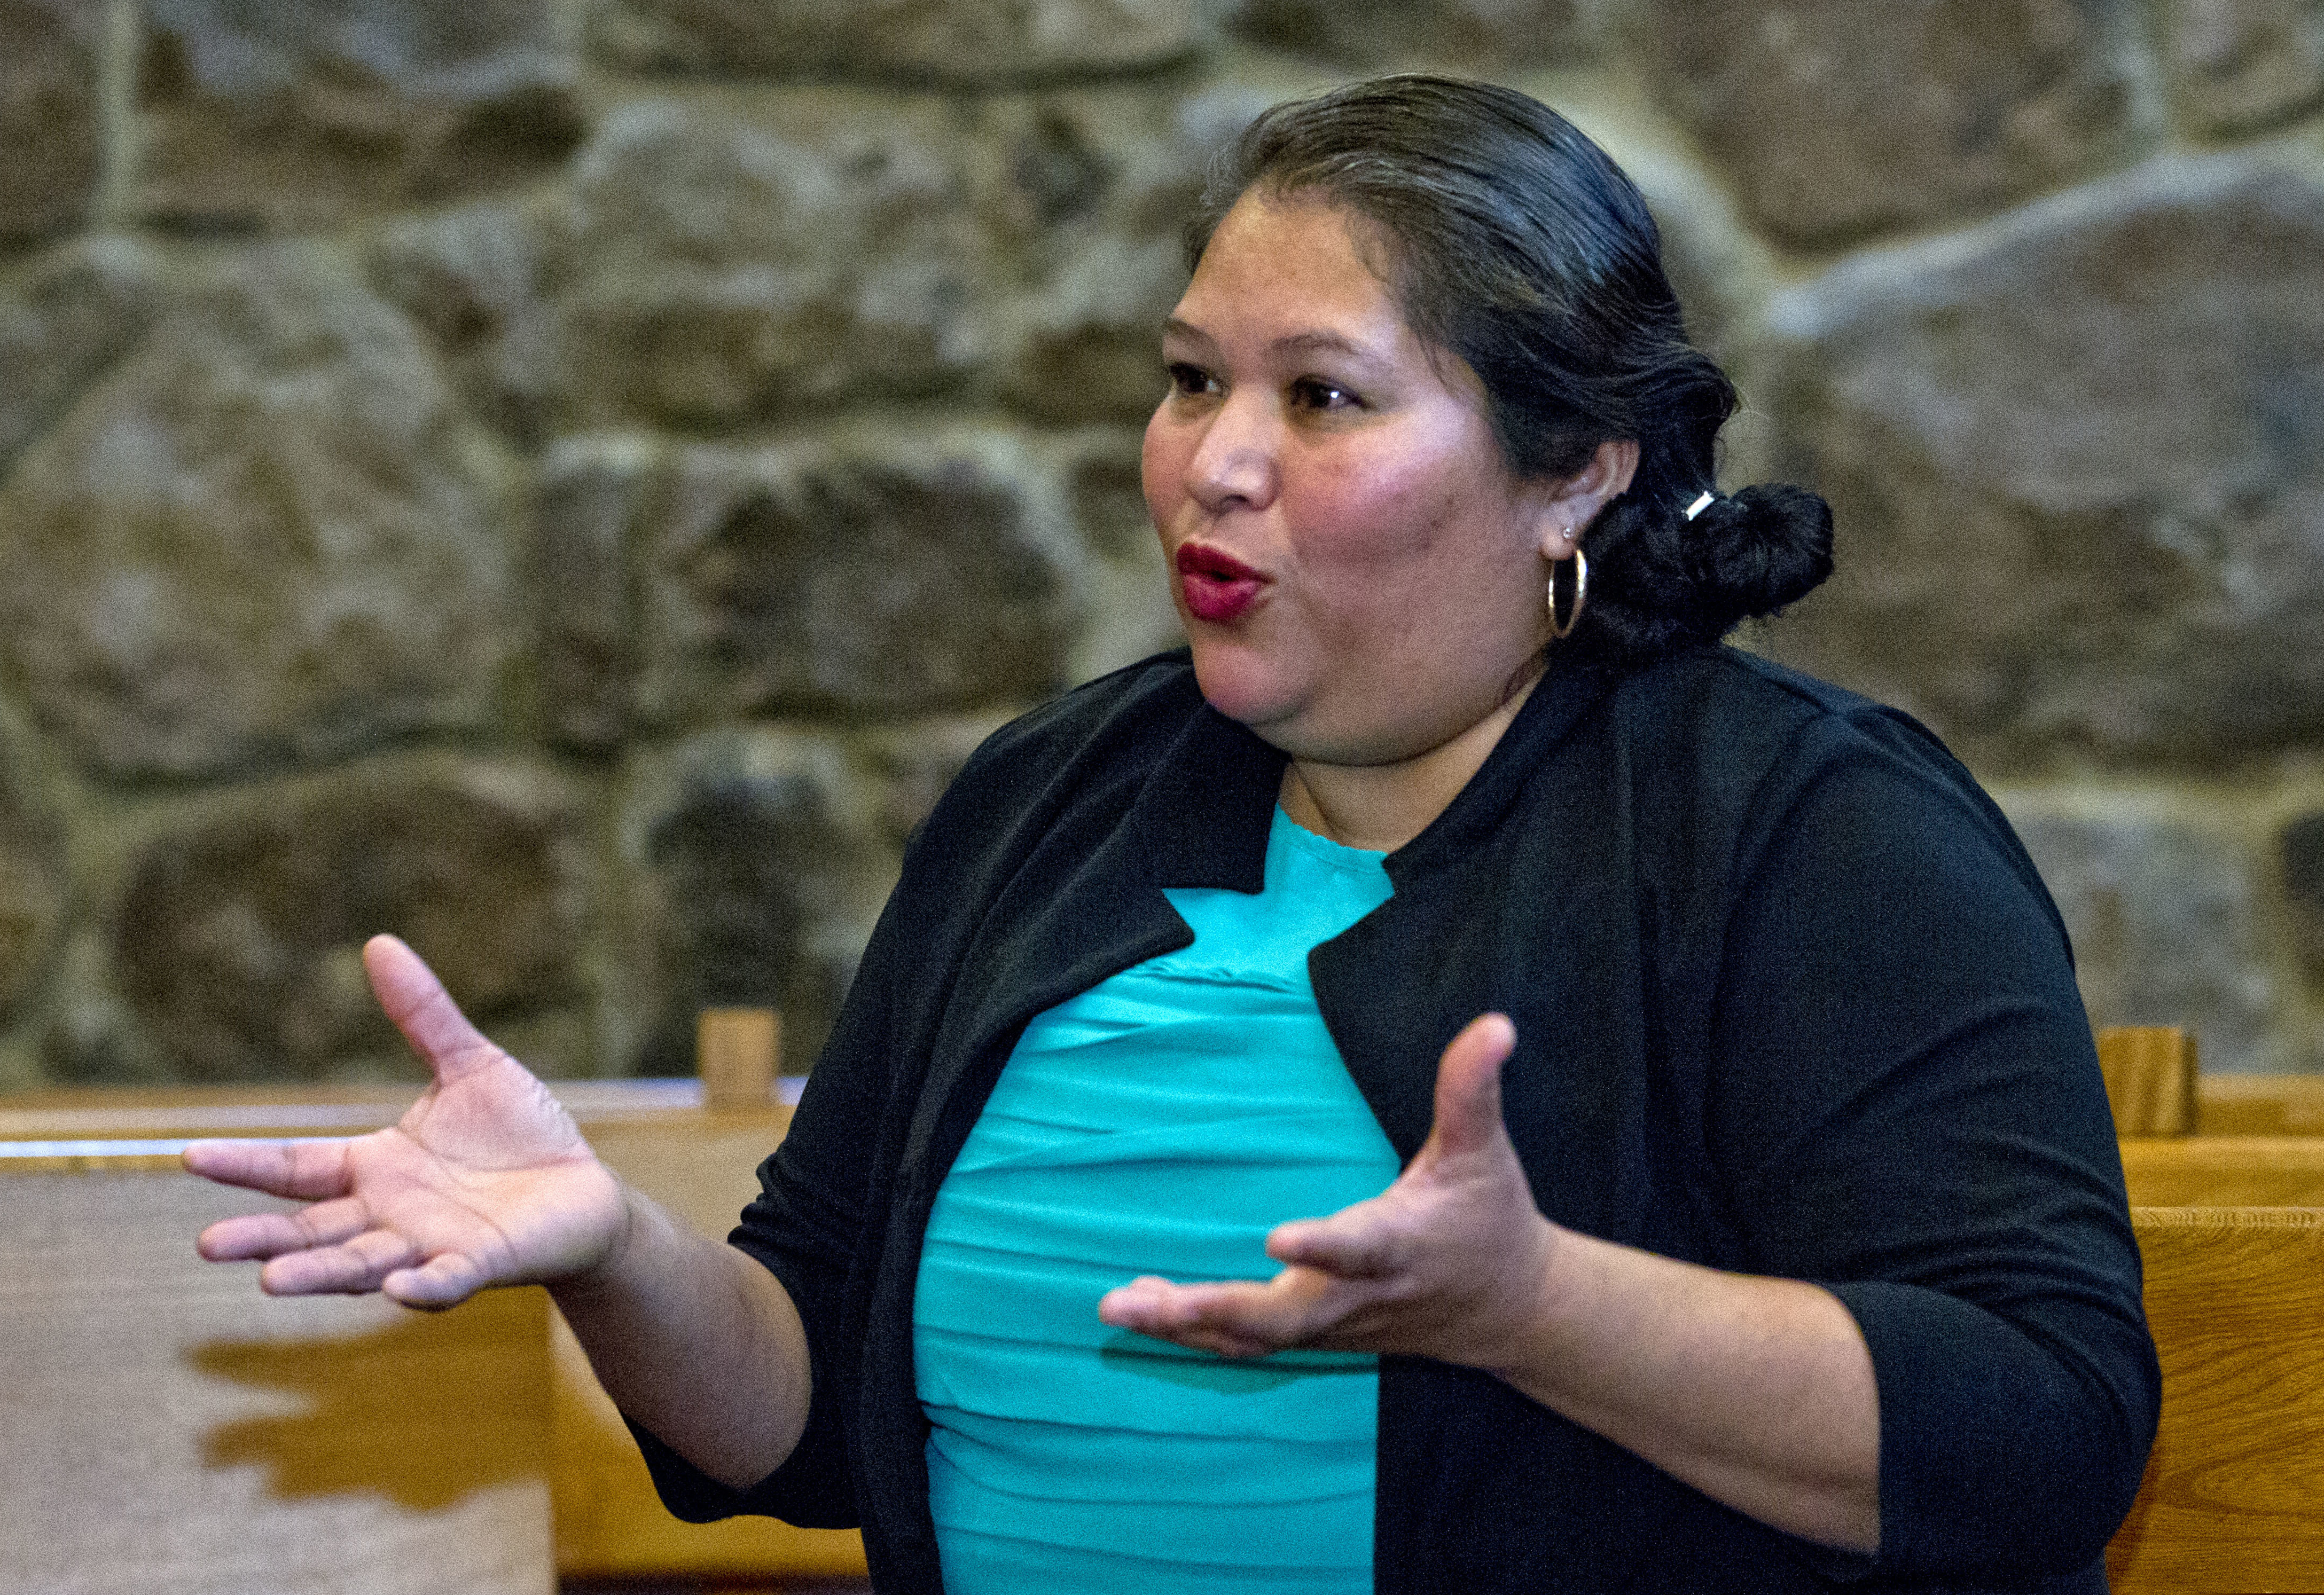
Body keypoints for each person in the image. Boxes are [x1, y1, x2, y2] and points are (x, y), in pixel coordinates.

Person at [186, 75, 2158, 1593]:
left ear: (1578, 470)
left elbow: (2045, 1429)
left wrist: (1534, 1308)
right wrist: (612, 1247)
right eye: (1193, 379)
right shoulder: (1051, 800)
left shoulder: (1797, 823)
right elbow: (799, 1423)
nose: (1214, 462)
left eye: (1324, 397)